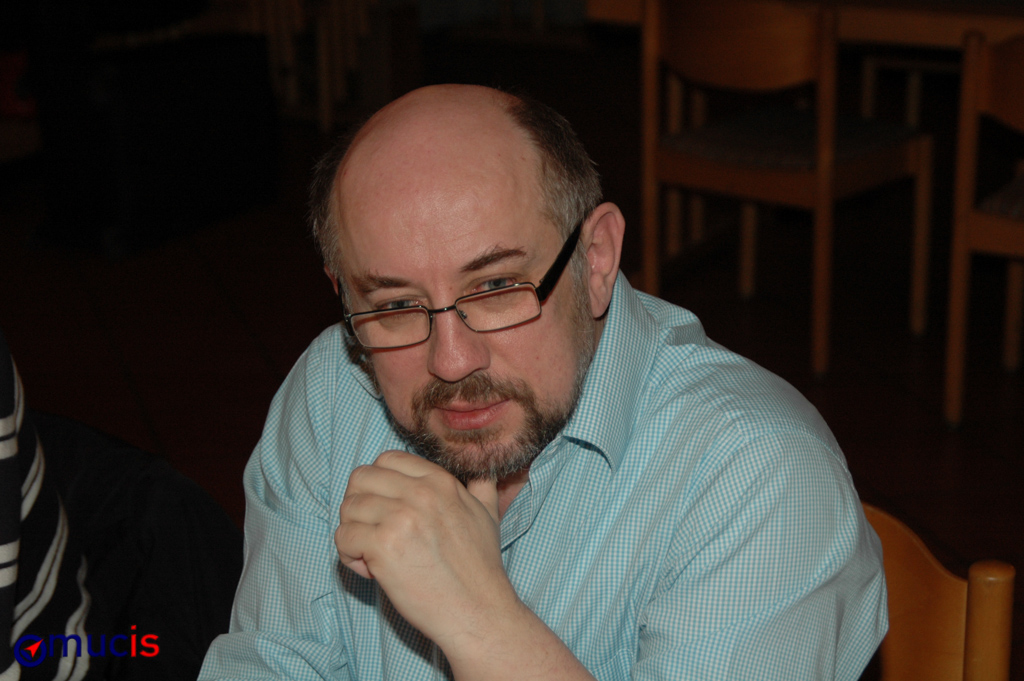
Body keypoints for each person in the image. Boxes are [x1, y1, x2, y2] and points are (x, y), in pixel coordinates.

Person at [199, 84, 886, 680]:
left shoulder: (759, 476)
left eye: (496, 286)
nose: (452, 361)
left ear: (596, 259)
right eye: (395, 304)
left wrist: (481, 623)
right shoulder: (331, 391)